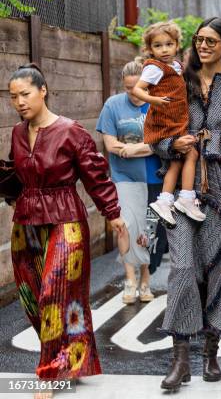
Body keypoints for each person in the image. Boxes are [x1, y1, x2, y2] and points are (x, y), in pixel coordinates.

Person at [151, 17, 221, 391]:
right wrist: (172, 146)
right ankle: (180, 359)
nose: (203, 46)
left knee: (217, 268)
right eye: (199, 40)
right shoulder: (177, 81)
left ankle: (211, 354)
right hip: (180, 195)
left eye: (211, 41)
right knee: (182, 268)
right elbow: (155, 132)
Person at [7, 64, 127, 394]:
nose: (19, 102)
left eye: (25, 94)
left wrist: (113, 215)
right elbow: (18, 176)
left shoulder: (71, 131)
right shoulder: (17, 133)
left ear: (43, 91)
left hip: (66, 221)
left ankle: (50, 372)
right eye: (13, 96)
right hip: (26, 222)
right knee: (32, 298)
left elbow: (96, 177)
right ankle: (74, 358)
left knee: (53, 295)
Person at [97, 58, 164, 304]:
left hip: (154, 176)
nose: (134, 93)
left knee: (148, 228)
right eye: (128, 88)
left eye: (139, 87)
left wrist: (131, 149)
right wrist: (142, 147)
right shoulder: (113, 106)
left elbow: (160, 145)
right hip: (124, 177)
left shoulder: (157, 105)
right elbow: (110, 144)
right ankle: (129, 279)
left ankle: (145, 279)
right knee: (125, 226)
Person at [133, 21, 205, 226]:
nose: (164, 50)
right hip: (166, 122)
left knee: (177, 160)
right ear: (149, 49)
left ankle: (166, 200)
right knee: (190, 153)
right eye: (157, 46)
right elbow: (138, 89)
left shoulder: (177, 67)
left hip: (176, 119)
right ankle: (185, 197)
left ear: (176, 45)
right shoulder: (155, 69)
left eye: (168, 44)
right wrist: (153, 100)